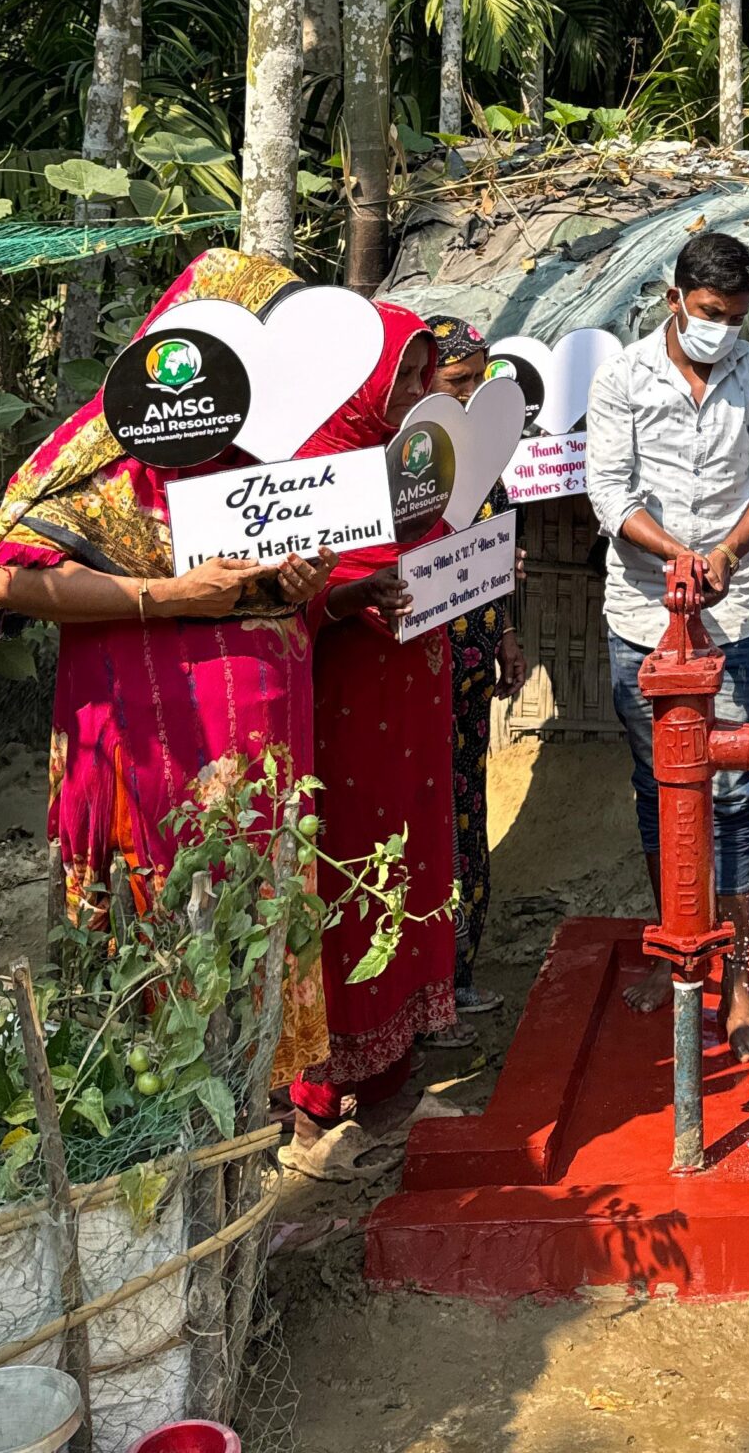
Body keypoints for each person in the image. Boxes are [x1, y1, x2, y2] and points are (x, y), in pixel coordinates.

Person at [0, 248, 336, 1079]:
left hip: (256, 743)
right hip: (143, 739)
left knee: (253, 905)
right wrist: (166, 595)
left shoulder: (273, 451)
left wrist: (302, 581)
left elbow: (296, 585)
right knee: (149, 913)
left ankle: (253, 1093)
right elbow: (6, 579)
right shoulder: (99, 453)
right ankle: (136, 1084)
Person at [585, 229, 749, 1057]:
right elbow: (609, 494)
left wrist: (726, 554)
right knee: (658, 789)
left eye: (737, 317)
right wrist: (676, 554)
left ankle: (739, 981)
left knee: (735, 798)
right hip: (642, 616)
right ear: (676, 298)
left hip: (730, 614)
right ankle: (676, 954)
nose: (723, 330)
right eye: (711, 312)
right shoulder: (623, 376)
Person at [287, 306, 461, 1130]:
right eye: (408, 377)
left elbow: (442, 550)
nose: (422, 392)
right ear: (361, 382)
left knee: (409, 857)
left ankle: (396, 1056)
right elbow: (274, 592)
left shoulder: (416, 466)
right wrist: (351, 594)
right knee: (350, 869)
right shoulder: (305, 468)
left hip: (414, 702)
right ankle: (332, 1076)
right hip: (345, 710)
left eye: (425, 375)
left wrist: (479, 566)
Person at [424, 315, 529, 1015]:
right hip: (418, 680)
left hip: (469, 679)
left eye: (479, 381)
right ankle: (428, 984)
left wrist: (507, 637)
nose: (470, 395)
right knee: (426, 820)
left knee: (467, 813)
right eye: (457, 382)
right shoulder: (406, 464)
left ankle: (459, 974)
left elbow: (494, 557)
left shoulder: (485, 459)